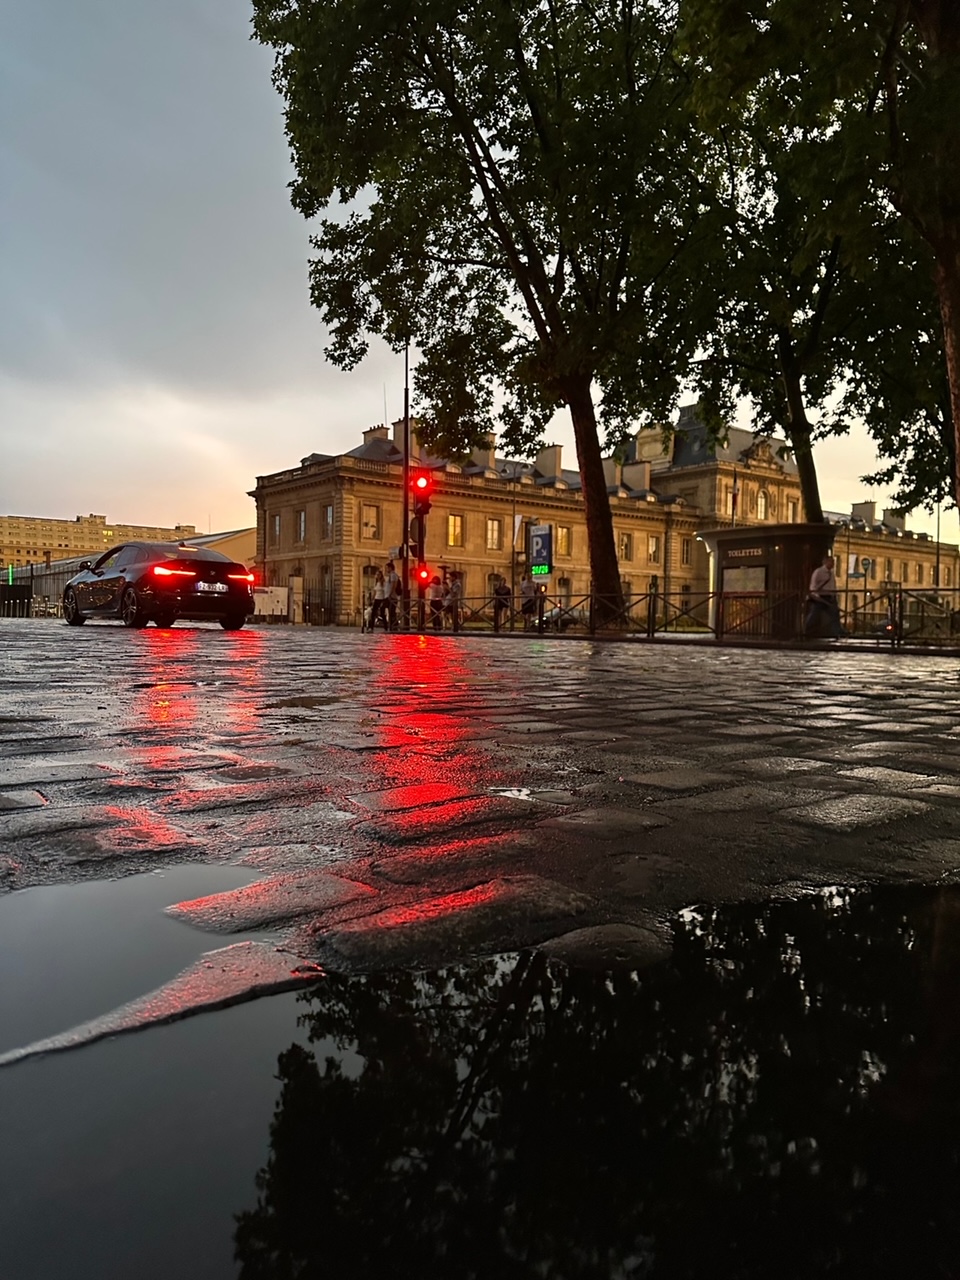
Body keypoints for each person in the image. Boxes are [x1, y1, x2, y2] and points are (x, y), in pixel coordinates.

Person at [805, 554, 843, 638]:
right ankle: (807, 631)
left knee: (835, 614)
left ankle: (837, 632)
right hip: (820, 597)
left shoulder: (831, 573)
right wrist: (816, 596)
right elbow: (813, 586)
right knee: (814, 614)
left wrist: (834, 596)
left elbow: (832, 585)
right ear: (825, 562)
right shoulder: (818, 572)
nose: (833, 563)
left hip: (829, 597)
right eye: (831, 561)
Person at [383, 560, 400, 631]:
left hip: (391, 597)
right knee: (390, 611)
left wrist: (390, 594)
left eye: (387, 568)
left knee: (391, 611)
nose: (386, 569)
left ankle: (394, 626)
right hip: (388, 596)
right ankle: (392, 625)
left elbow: (394, 585)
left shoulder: (393, 575)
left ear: (390, 568)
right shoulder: (390, 575)